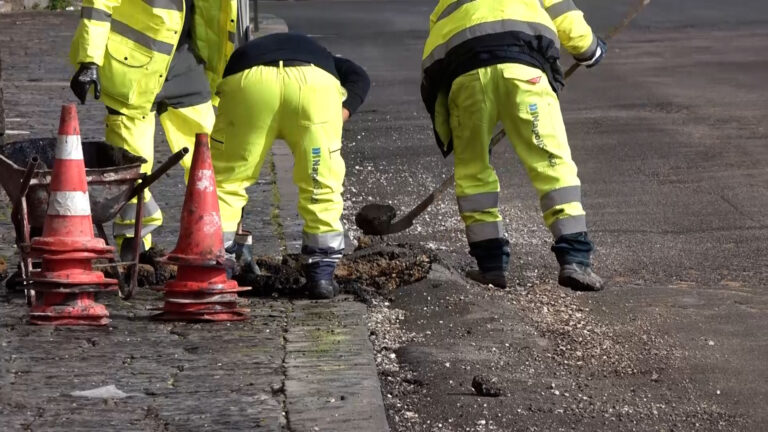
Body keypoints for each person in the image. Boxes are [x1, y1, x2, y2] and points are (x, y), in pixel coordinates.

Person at [420, 0, 606, 291]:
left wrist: (450, 126)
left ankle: (491, 266)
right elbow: (569, 21)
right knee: (551, 164)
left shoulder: (444, 5)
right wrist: (591, 51)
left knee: (472, 172)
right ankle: (575, 259)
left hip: (467, 82)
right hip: (524, 73)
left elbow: (432, 65)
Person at [68, 0, 237, 260]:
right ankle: (134, 240)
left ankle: (216, 238)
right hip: (134, 70)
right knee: (132, 161)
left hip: (184, 64)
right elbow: (98, 4)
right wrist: (89, 59)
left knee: (208, 156)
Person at [210, 32, 370, 299]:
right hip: (312, 89)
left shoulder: (246, 52)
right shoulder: (327, 59)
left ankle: (215, 271)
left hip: (251, 86)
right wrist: (335, 117)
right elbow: (360, 78)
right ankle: (321, 277)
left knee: (227, 183)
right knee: (320, 185)